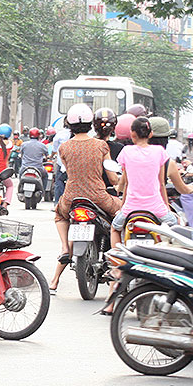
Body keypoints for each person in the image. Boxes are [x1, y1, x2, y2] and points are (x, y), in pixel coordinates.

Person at [48, 104, 121, 293]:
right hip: (99, 197)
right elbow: (112, 177)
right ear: (90, 125)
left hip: (71, 198)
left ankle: (64, 248)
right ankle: (120, 266)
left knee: (59, 215)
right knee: (122, 216)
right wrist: (121, 185)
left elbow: (67, 171)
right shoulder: (102, 146)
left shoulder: (64, 147)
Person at [111, 117, 177, 248]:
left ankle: (117, 261)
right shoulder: (159, 152)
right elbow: (161, 184)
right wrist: (166, 207)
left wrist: (123, 207)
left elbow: (127, 183)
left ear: (132, 134)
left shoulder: (126, 151)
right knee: (176, 226)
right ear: (150, 134)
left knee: (114, 228)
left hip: (131, 209)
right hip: (156, 208)